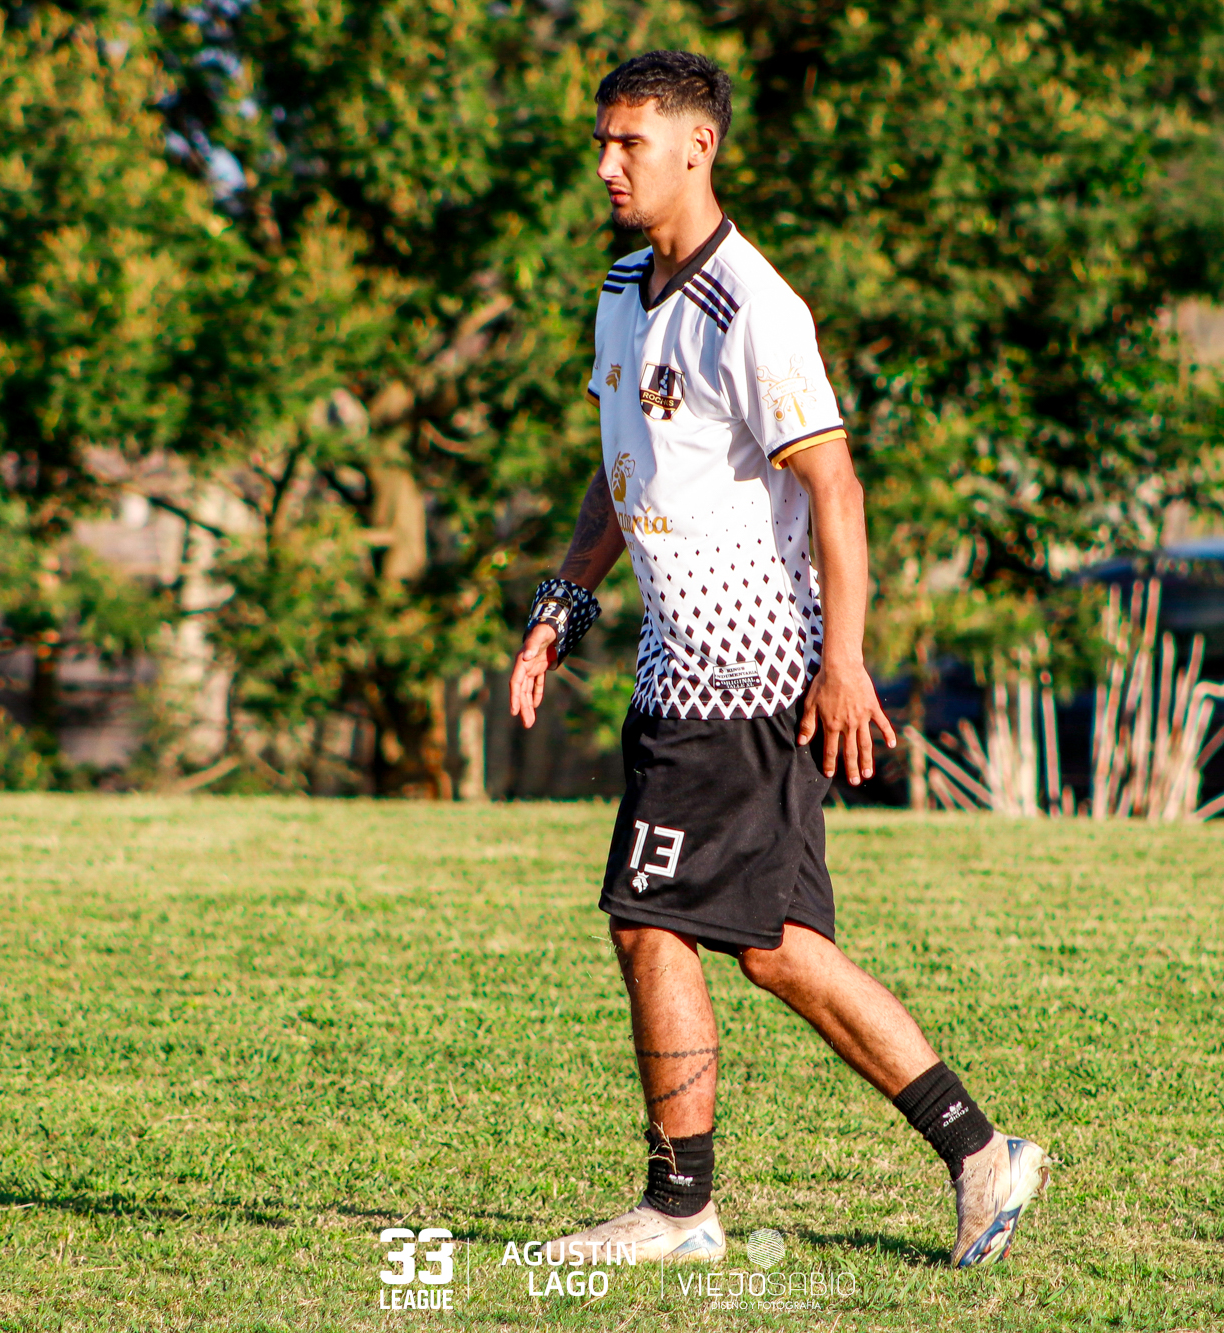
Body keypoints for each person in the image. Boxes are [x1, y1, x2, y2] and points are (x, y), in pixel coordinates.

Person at [507, 50, 1049, 1270]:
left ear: (695, 147)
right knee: (775, 947)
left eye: (629, 144)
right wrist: (561, 606)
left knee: (647, 920)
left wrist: (841, 663)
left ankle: (677, 1208)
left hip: (744, 679)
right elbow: (619, 468)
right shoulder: (621, 288)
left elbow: (835, 490)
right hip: (674, 674)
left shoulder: (751, 306)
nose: (606, 167)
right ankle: (978, 1151)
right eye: (601, 143)